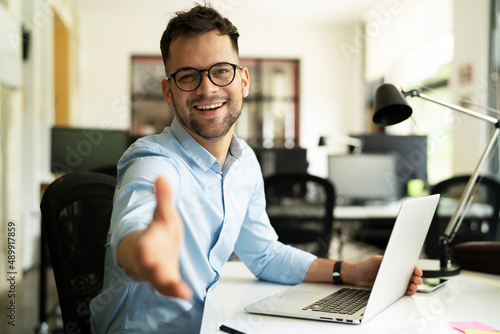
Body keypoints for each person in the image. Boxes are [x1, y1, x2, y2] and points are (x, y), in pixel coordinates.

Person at [90, 4, 423, 333]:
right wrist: (141, 250)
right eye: (188, 76)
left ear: (243, 81)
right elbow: (135, 224)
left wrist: (349, 271)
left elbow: (264, 254)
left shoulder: (244, 162)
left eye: (221, 70)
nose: (207, 88)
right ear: (168, 91)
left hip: (208, 323)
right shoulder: (152, 160)